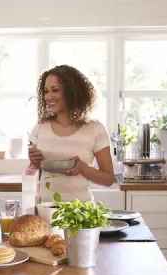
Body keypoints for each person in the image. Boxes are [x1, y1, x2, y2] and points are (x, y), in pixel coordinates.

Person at [28, 65, 114, 203]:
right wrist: (34, 163)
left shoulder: (95, 129)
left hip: (80, 213)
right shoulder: (40, 127)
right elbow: (33, 174)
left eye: (55, 90)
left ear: (72, 92)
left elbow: (108, 179)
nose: (48, 96)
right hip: (45, 210)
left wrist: (83, 168)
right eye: (46, 91)